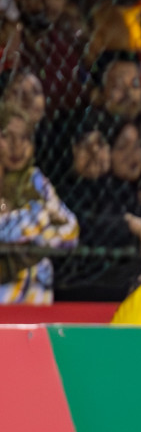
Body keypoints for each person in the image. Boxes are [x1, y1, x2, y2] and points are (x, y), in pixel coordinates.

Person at [0, 103, 78, 303]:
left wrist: (19, 241)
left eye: (25, 138)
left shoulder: (36, 180)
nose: (17, 146)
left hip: (36, 295)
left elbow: (71, 232)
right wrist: (42, 220)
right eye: (6, 136)